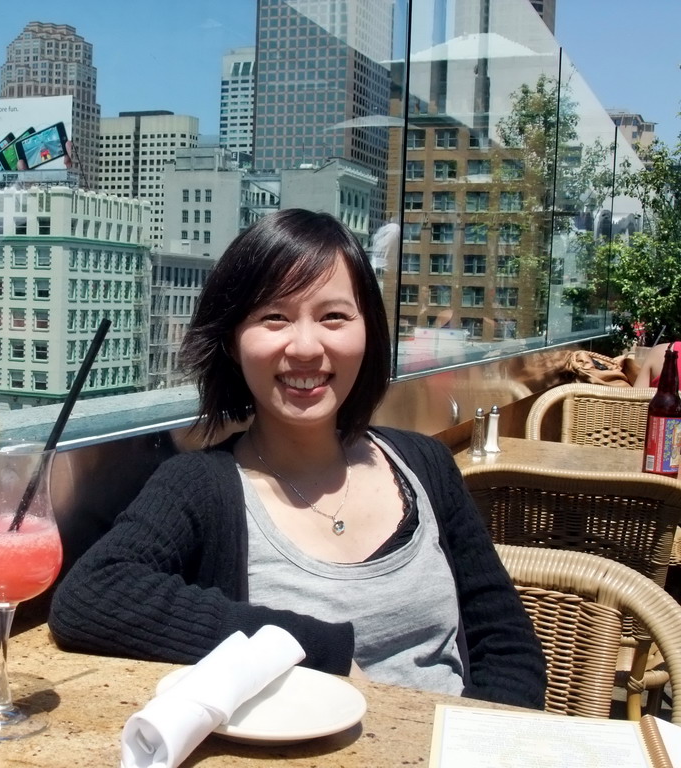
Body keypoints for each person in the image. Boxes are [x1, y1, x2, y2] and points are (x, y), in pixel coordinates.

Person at [49, 209, 546, 709]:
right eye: (274, 318)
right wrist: (307, 648)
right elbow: (91, 596)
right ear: (232, 340)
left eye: (333, 317)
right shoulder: (201, 486)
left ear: (368, 330)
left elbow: (507, 646)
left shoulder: (424, 463)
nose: (306, 347)